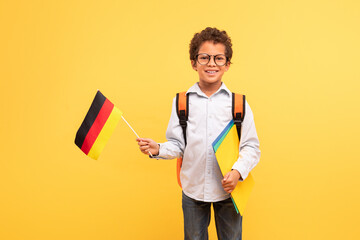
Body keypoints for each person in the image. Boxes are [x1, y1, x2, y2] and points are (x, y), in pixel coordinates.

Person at [137, 27, 260, 240]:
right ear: (194, 63)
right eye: (204, 57)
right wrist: (158, 148)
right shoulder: (182, 102)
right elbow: (178, 144)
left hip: (229, 191)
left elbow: (251, 147)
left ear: (227, 64)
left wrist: (238, 172)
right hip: (193, 190)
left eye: (218, 58)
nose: (211, 63)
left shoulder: (238, 103)